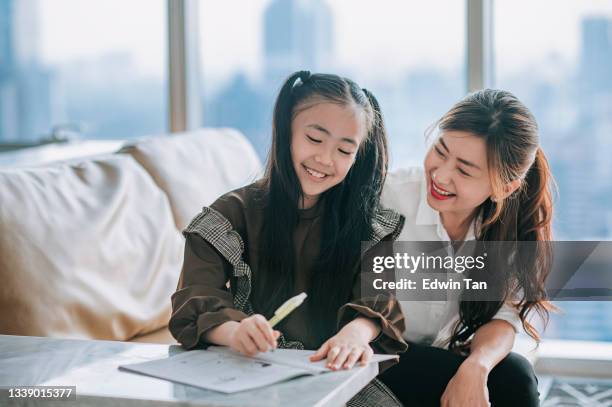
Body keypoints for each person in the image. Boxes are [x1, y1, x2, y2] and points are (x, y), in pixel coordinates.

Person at [169, 71, 407, 404]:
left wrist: (355, 333)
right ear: (286, 132)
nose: (325, 159)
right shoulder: (228, 215)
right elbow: (193, 303)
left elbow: (378, 302)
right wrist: (235, 332)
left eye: (344, 150)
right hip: (248, 374)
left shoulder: (371, 225)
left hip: (336, 376)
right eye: (314, 138)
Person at [379, 89, 554, 407]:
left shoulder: (510, 229)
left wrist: (477, 366)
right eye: (440, 150)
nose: (441, 175)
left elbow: (503, 318)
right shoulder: (388, 199)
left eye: (464, 170)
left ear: (505, 187)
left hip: (435, 360)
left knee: (515, 374)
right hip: (373, 356)